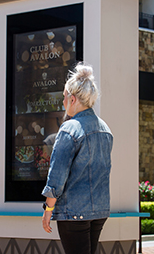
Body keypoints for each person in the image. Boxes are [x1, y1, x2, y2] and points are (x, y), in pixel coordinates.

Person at [41, 63, 113, 254]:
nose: (63, 101)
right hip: (99, 210)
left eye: (64, 97)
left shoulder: (69, 128)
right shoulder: (105, 129)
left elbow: (57, 175)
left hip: (73, 211)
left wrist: (48, 210)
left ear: (72, 99)